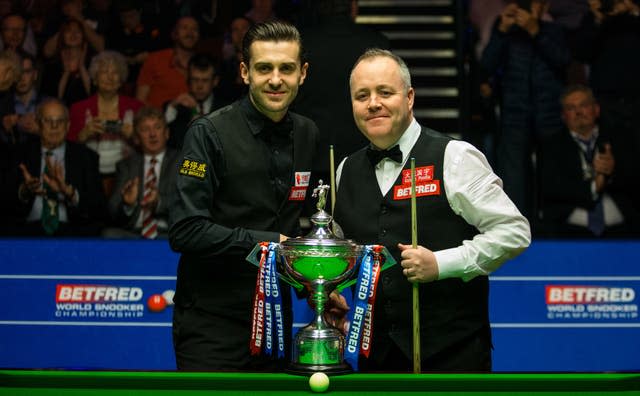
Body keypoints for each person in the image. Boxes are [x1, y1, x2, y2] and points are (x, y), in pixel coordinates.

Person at [333, 49, 531, 372]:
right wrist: (332, 290)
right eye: (362, 95)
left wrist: (441, 263)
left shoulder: (455, 157)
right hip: (376, 362)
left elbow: (514, 232)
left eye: (385, 92)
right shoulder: (345, 170)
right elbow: (346, 254)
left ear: (409, 98)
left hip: (453, 357)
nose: (373, 103)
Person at [168, 20, 318, 371]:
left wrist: (313, 282)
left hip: (274, 323)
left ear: (303, 73)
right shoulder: (208, 133)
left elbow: (299, 221)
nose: (276, 79)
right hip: (211, 324)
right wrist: (270, 245)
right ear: (245, 72)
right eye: (264, 68)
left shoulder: (308, 134)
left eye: (287, 68)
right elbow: (185, 229)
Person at [292, 0, 389, 209]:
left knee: (315, 227)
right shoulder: (375, 42)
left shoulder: (302, 42)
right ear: (353, 8)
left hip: (312, 150)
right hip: (364, 150)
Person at [480, 0, 570, 219]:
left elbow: (563, 61)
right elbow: (486, 66)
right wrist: (501, 31)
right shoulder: (505, 31)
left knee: (552, 178)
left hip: (550, 116)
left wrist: (536, 32)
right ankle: (518, 230)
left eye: (533, 4)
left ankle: (553, 228)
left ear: (544, 7)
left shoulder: (554, 30)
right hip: (514, 116)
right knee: (514, 180)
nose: (528, 10)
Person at [538, 84, 639, 238]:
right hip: (569, 233)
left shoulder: (621, 138)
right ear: (563, 116)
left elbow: (634, 180)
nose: (578, 112)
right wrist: (594, 185)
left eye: (583, 105)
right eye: (571, 108)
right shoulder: (551, 146)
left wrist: (612, 171)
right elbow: (552, 189)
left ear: (596, 109)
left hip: (622, 232)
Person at [10, 98, 105, 236]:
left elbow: (99, 209)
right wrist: (24, 191)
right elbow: (5, 202)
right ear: (38, 124)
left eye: (60, 121)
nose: (54, 127)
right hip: (28, 231)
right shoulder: (19, 154)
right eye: (48, 121)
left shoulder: (86, 157)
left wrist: (71, 195)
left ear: (68, 126)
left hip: (72, 231)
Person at [67, 50, 144, 194]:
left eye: (115, 72)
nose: (110, 77)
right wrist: (83, 135)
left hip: (128, 175)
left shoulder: (136, 108)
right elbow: (68, 150)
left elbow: (148, 146)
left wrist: (134, 137)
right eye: (104, 71)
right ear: (95, 78)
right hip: (88, 175)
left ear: (121, 79)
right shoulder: (78, 108)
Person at [105, 106, 179, 239]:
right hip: (134, 233)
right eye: (145, 129)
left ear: (167, 133)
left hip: (170, 233)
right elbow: (112, 210)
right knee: (109, 234)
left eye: (157, 127)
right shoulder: (126, 166)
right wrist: (128, 204)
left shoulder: (184, 161)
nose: (152, 134)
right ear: (137, 138)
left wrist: (160, 202)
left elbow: (193, 200)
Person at [135, 16, 199, 109]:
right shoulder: (155, 59)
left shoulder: (204, 64)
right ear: (174, 34)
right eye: (184, 28)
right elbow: (140, 101)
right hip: (158, 119)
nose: (190, 33)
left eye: (195, 29)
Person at [165, 53, 222, 150]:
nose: (199, 86)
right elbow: (168, 143)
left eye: (205, 80)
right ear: (188, 80)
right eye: (195, 80)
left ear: (215, 81)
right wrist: (172, 107)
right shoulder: (176, 108)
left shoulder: (226, 108)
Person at [39, 18, 92, 105]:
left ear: (84, 36)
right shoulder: (52, 65)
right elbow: (52, 100)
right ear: (62, 36)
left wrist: (82, 67)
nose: (73, 34)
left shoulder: (93, 63)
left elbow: (94, 96)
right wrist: (66, 73)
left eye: (78, 31)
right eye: (69, 31)